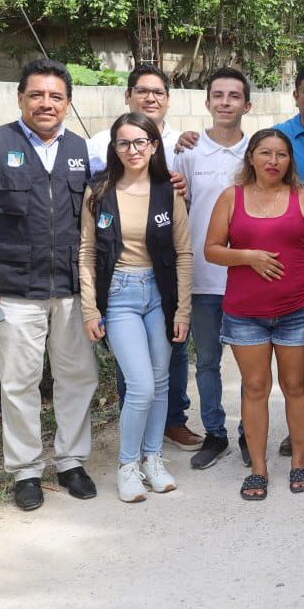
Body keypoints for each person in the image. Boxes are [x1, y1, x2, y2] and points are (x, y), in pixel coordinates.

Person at [179, 63, 304, 460]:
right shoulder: (271, 137)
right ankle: (276, 431)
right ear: (295, 95)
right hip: (254, 279)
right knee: (265, 368)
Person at [0, 59, 99, 510]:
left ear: (68, 104)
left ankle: (71, 462)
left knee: (78, 377)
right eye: (36, 95)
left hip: (72, 288)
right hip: (13, 288)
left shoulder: (84, 151)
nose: (45, 103)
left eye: (55, 96)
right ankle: (26, 471)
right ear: (20, 99)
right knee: (19, 383)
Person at [204, 128, 304, 500]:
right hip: (245, 313)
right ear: (251, 157)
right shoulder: (231, 197)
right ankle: (258, 469)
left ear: (290, 160)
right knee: (255, 388)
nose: (273, 161)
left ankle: (299, 462)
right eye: (265, 153)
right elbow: (212, 249)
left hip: (297, 310)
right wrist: (248, 257)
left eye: (281, 154)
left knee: (296, 386)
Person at [79, 113, 193, 502]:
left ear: (154, 146)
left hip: (160, 295)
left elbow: (184, 253)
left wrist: (182, 311)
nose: (133, 150)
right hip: (120, 296)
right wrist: (90, 309)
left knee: (160, 383)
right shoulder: (98, 191)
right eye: (124, 142)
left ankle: (152, 459)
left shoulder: (168, 191)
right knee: (141, 385)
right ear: (114, 147)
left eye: (141, 141)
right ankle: (127, 465)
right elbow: (86, 252)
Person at [91, 64, 200, 454]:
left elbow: (188, 215)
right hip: (120, 280)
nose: (151, 98)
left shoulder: (183, 145)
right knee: (137, 377)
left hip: (161, 276)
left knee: (167, 365)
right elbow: (92, 220)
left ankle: (169, 427)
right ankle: (132, 449)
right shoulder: (100, 148)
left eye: (158, 92)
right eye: (142, 90)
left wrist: (180, 186)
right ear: (128, 95)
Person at [171, 67, 252, 469]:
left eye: (233, 96)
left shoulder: (257, 151)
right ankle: (215, 433)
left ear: (246, 105)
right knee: (206, 363)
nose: (225, 102)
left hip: (247, 278)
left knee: (252, 365)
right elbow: (177, 208)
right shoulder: (187, 151)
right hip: (202, 279)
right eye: (218, 95)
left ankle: (250, 433)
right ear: (207, 103)